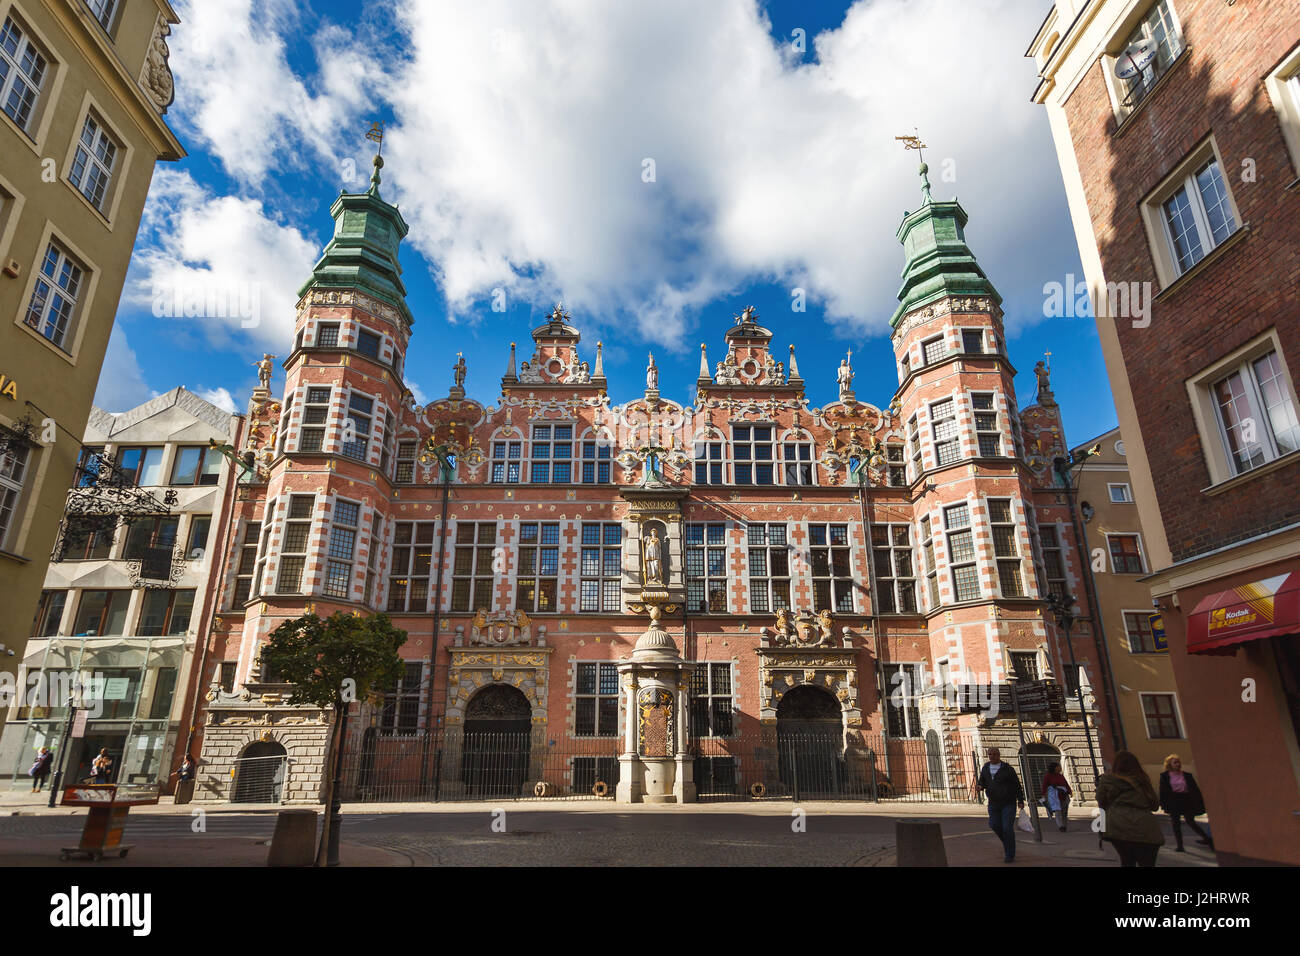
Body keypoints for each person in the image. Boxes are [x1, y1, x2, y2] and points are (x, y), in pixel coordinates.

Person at [1096, 749, 1164, 867]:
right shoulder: (1142, 780)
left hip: (1118, 825)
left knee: (1127, 861)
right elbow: (1154, 805)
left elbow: (1101, 803)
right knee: (1148, 863)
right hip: (1145, 825)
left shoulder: (1107, 780)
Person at [976, 747, 1025, 863]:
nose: (991, 756)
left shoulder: (1007, 769)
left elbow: (1016, 785)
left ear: (998, 755)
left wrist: (1021, 800)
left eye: (994, 754)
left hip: (1008, 802)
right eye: (990, 754)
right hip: (993, 803)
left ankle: (1009, 854)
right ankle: (1008, 842)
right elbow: (982, 781)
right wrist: (980, 786)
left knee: (1007, 827)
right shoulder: (986, 768)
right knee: (994, 825)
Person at [1159, 754, 1213, 853]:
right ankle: (1180, 845)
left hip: (1186, 800)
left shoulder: (1187, 775)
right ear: (1169, 764)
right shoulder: (1165, 776)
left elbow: (1195, 789)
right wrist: (1164, 804)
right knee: (1175, 823)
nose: (1177, 764)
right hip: (1174, 801)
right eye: (1175, 762)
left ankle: (1207, 839)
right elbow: (1163, 791)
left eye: (1178, 762)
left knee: (1190, 821)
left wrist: (1199, 802)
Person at [1040, 761, 1073, 832]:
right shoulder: (1048, 776)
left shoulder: (1060, 776)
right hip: (1054, 796)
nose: (1060, 768)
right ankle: (1060, 826)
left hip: (1063, 795)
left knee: (1064, 811)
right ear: (1054, 768)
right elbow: (1044, 785)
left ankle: (1064, 825)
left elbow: (1066, 784)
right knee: (1057, 811)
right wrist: (1043, 794)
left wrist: (1070, 791)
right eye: (1058, 766)